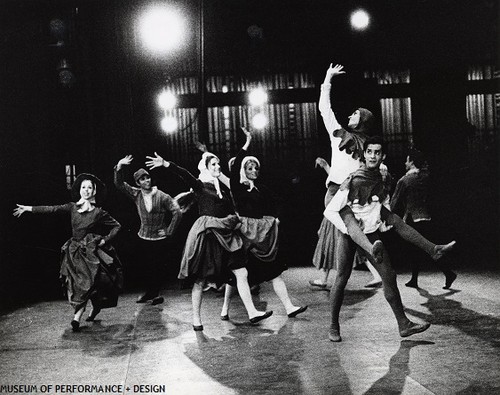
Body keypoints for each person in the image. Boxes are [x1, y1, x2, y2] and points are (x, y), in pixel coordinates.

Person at [324, 136, 455, 342]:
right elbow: (330, 211)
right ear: (364, 154)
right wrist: (349, 228)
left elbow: (381, 203)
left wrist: (383, 220)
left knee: (390, 274)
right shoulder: (354, 179)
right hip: (349, 229)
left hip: (370, 229)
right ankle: (333, 325)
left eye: (377, 152)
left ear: (382, 156)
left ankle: (404, 323)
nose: (373, 156)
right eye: (369, 152)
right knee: (342, 277)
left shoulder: (383, 177)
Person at [145, 152, 272, 331]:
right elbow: (185, 174)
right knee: (200, 280)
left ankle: (252, 312)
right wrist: (166, 163)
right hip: (209, 235)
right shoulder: (200, 186)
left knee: (241, 272)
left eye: (218, 165)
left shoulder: (223, 189)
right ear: (206, 167)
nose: (217, 167)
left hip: (226, 235)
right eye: (213, 165)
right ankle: (196, 319)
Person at [13, 174, 123, 332]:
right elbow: (52, 209)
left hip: (90, 253)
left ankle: (77, 317)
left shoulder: (99, 213)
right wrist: (28, 209)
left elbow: (117, 226)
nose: (86, 190)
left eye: (89, 188)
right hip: (74, 252)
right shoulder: (73, 207)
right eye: (83, 187)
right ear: (79, 190)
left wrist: (105, 240)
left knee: (88, 283)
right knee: (79, 284)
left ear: (94, 191)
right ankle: (94, 308)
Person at [220, 127, 307, 320]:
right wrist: (247, 144)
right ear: (243, 170)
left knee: (274, 272)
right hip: (244, 235)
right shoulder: (237, 186)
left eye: (255, 168)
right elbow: (234, 170)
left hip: (260, 235)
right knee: (235, 277)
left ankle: (289, 306)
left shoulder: (262, 188)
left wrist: (276, 216)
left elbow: (278, 201)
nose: (253, 171)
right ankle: (225, 308)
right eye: (249, 168)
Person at [309, 63, 382, 289]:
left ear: (362, 121)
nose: (350, 115)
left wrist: (327, 79)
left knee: (336, 234)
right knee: (348, 233)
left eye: (355, 114)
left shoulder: (343, 137)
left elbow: (325, 110)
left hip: (340, 194)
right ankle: (373, 269)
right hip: (348, 192)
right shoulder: (358, 143)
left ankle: (328, 278)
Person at [114, 155, 183, 305]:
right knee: (146, 267)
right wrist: (119, 166)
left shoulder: (161, 196)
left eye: (148, 178)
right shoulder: (136, 193)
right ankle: (148, 293)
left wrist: (169, 231)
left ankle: (156, 294)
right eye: (143, 179)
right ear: (138, 183)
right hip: (143, 236)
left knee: (157, 267)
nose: (147, 181)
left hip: (159, 238)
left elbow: (177, 211)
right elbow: (119, 184)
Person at [390, 149, 457, 289]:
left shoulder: (404, 180)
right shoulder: (425, 177)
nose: (405, 162)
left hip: (412, 219)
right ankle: (418, 279)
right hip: (426, 217)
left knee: (423, 250)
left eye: (407, 160)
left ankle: (448, 273)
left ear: (412, 162)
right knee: (423, 249)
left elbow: (394, 203)